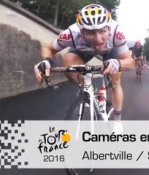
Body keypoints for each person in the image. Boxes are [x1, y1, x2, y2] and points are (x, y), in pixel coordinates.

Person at [34, 4, 135, 133]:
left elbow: (130, 62)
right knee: (68, 63)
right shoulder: (71, 34)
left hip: (110, 52)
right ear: (81, 32)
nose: (98, 39)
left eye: (102, 31)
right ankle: (88, 91)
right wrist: (46, 61)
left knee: (115, 80)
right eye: (91, 32)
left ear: (109, 29)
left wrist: (118, 64)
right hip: (83, 50)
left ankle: (117, 119)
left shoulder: (117, 33)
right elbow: (48, 48)